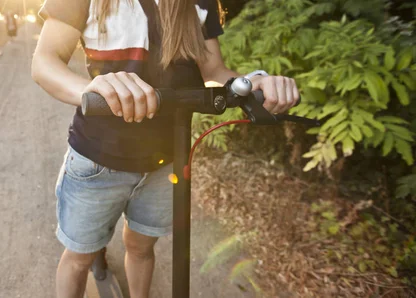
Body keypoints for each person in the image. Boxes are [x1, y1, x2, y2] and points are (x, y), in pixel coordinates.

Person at [31, 0, 299, 297]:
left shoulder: (198, 3)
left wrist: (256, 82)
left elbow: (214, 70)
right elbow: (45, 62)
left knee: (141, 247)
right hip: (97, 158)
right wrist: (89, 89)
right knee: (79, 257)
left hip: (166, 159)